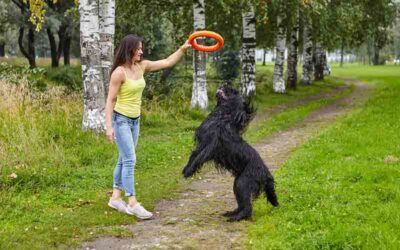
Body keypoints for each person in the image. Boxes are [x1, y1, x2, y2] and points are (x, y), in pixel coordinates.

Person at [105, 34, 191, 219]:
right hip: (121, 121)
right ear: (130, 50)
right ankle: (132, 203)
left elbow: (167, 62)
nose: (142, 51)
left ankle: (115, 197)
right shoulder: (119, 72)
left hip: (135, 121)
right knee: (130, 160)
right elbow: (110, 100)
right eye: (139, 48)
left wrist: (182, 49)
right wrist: (108, 126)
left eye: (142, 48)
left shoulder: (141, 66)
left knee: (124, 158)